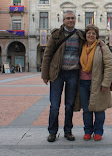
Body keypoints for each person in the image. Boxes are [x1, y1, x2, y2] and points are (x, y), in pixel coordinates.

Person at [41, 10, 85, 142]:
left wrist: (101, 43)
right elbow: (47, 54)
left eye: (72, 18)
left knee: (69, 105)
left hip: (73, 73)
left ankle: (68, 131)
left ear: (75, 20)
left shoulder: (80, 35)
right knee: (54, 104)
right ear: (63, 20)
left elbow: (91, 44)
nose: (70, 20)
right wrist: (45, 74)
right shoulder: (56, 35)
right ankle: (52, 132)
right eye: (68, 18)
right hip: (57, 73)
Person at [79, 24, 112, 141]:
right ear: (85, 35)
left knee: (99, 109)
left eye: (93, 33)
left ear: (97, 35)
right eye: (89, 33)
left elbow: (109, 66)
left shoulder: (102, 47)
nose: (91, 35)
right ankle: (88, 131)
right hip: (83, 83)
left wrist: (106, 83)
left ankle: (98, 131)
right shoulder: (82, 47)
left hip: (98, 83)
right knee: (86, 109)